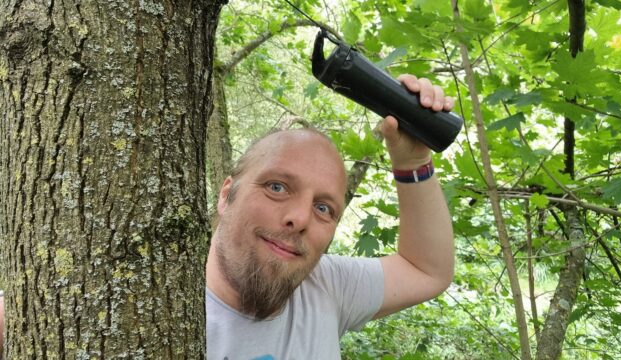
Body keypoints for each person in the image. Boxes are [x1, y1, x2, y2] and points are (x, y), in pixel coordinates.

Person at [0, 75, 455, 359]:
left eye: (324, 208)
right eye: (277, 187)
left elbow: (426, 270)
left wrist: (413, 160)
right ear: (226, 195)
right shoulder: (136, 301)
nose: (299, 218)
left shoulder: (323, 288)